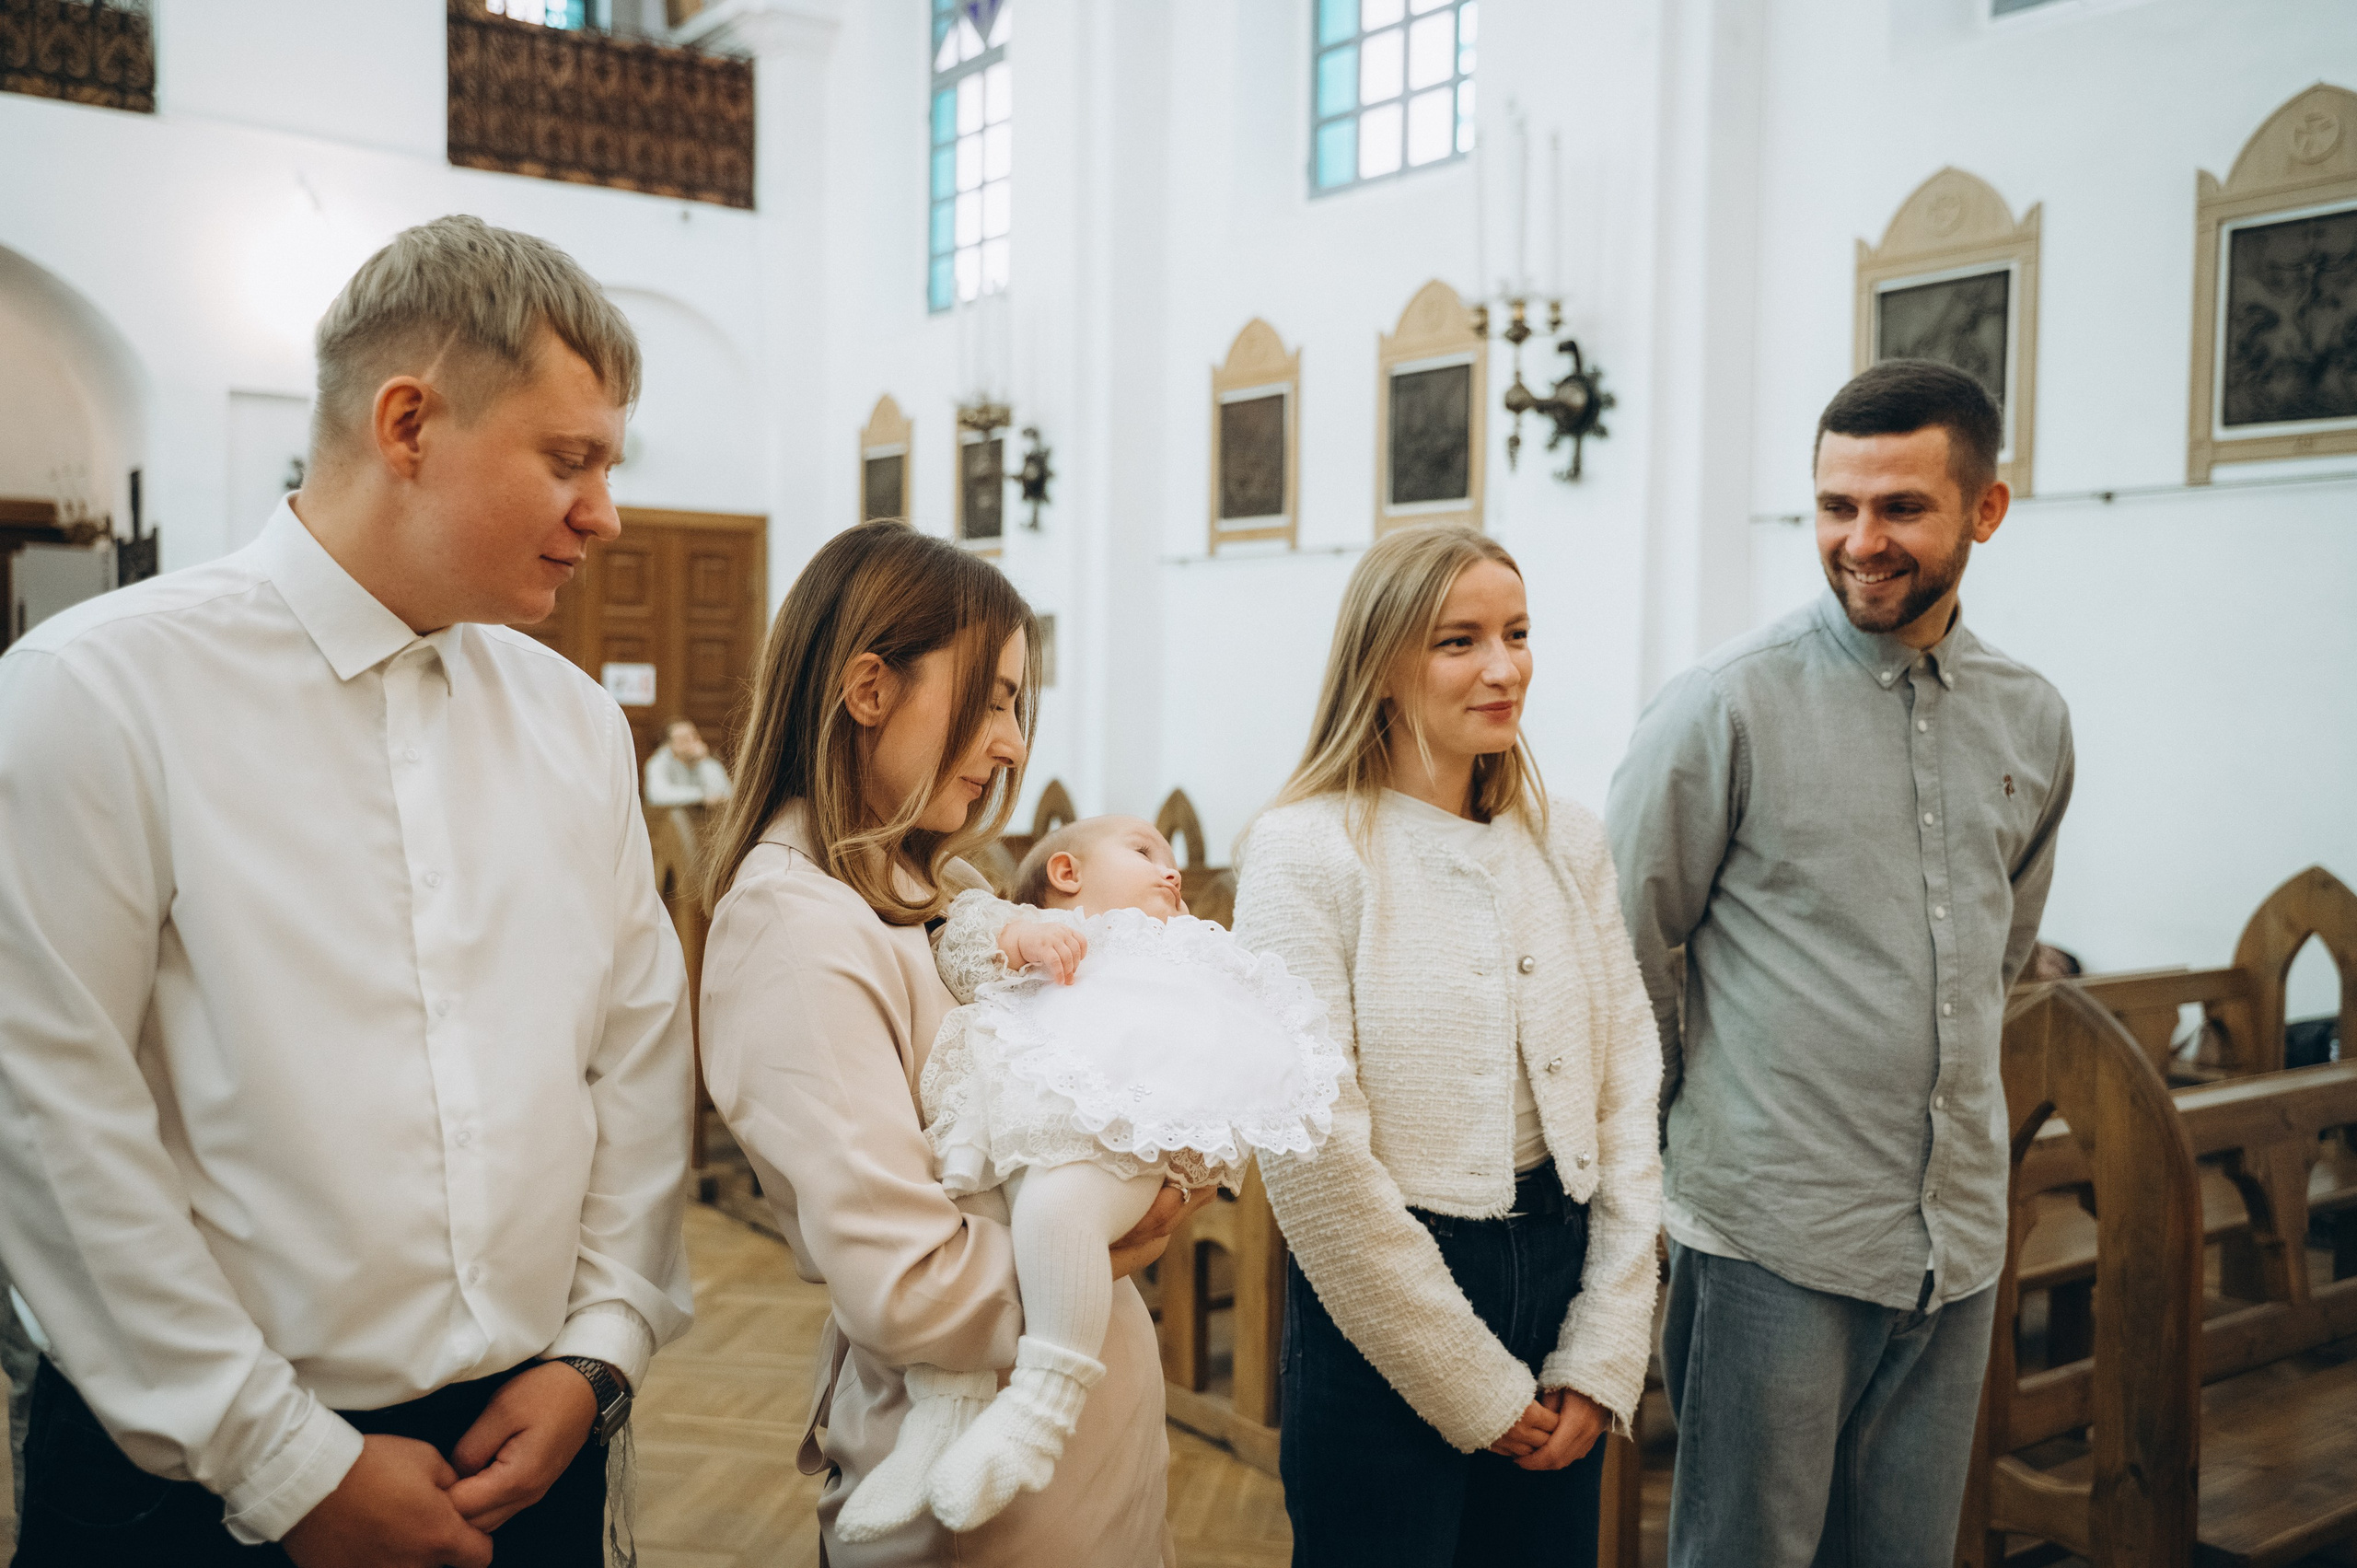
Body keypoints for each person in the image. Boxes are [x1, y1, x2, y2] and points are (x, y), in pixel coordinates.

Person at [0, 215, 696, 1568]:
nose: (605, 512)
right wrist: (283, 1458)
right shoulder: (96, 691)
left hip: (528, 1441)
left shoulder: (571, 721)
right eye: (571, 458)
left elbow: (636, 1054)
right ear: (407, 423)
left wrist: (600, 1352)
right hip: (194, 1484)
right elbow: (50, 1112)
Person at [1605, 358, 2074, 1568]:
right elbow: (1624, 939)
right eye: (1835, 506)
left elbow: (2000, 953)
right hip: (1773, 1228)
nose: (1860, 541)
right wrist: (1701, 1118)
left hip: (1956, 1231)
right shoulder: (1724, 704)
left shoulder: (2032, 715)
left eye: (1901, 507)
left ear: (1987, 509)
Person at [694, 520, 1195, 1567]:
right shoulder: (792, 923)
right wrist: (1111, 1234)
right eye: (996, 697)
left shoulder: (947, 890)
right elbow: (909, 1282)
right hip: (975, 1493)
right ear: (868, 687)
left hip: (1083, 1427)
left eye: (1018, 703)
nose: (1014, 741)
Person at [1230, 524, 1664, 1568]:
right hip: (1383, 1293)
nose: (1503, 666)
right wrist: (1466, 1377)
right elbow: (1312, 1154)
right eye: (1458, 640)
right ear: (1381, 662)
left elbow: (1627, 1089)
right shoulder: (1304, 849)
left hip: (1560, 1270)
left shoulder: (1567, 837)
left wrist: (1603, 1345)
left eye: (1515, 632)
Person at [836, 814, 1345, 1539]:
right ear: (1067, 874)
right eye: (1144, 852)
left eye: (1172, 861)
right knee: (962, 1206)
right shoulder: (1028, 926)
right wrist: (1022, 938)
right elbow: (959, 941)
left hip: (1113, 1136)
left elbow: (1226, 1034)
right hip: (1009, 1120)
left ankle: (1042, 1403)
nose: (1170, 871)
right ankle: (943, 1404)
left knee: (1057, 1210)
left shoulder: (1176, 946)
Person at [644, 717, 732, 807]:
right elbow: (657, 796)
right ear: (669, 744)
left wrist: (703, 760)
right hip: (669, 818)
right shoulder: (658, 762)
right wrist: (701, 796)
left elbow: (726, 794)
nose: (691, 741)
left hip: (704, 818)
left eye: (694, 736)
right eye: (684, 739)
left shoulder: (706, 761)